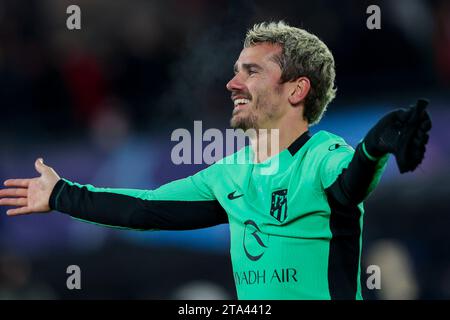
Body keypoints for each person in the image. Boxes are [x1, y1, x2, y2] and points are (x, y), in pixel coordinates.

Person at [0, 21, 431, 299]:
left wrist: (373, 149)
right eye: (236, 70)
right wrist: (61, 195)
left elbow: (349, 183)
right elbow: (146, 210)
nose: (232, 83)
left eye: (251, 72)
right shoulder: (229, 174)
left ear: (296, 91)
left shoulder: (323, 155)